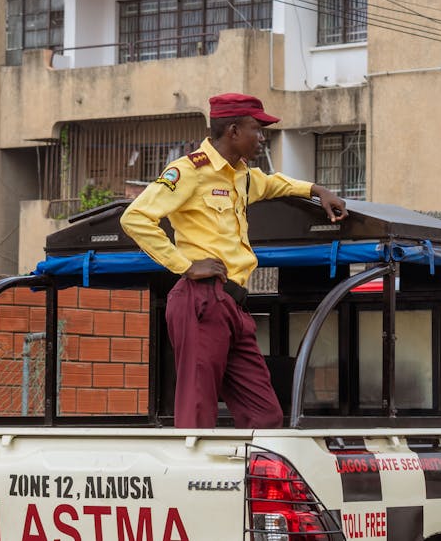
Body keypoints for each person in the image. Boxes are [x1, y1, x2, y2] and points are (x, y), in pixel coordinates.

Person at [120, 92, 348, 429]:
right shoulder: (188, 170)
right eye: (256, 129)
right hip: (200, 299)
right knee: (197, 412)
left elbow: (274, 184)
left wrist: (317, 190)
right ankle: (194, 479)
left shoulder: (241, 175)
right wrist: (185, 265)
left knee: (265, 415)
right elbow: (135, 218)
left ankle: (246, 478)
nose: (261, 138)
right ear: (232, 131)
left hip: (233, 305)